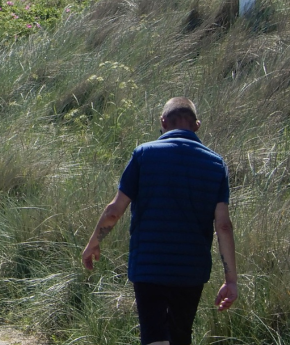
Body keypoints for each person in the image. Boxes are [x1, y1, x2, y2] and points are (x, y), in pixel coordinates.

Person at [81, 98, 237, 345]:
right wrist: (231, 281)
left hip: (149, 266)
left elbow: (114, 210)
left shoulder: (144, 154)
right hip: (191, 270)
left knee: (154, 336)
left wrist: (93, 243)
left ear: (162, 122)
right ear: (196, 125)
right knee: (180, 335)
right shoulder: (216, 165)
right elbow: (224, 226)